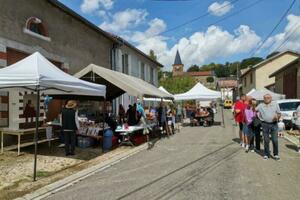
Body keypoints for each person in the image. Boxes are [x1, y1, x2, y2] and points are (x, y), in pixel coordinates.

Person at [257, 94, 281, 160]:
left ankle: (276, 154)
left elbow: (279, 113)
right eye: (265, 98)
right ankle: (266, 154)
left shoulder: (275, 104)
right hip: (264, 124)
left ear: (271, 98)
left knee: (275, 140)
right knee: (266, 140)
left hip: (274, 124)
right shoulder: (260, 105)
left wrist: (277, 117)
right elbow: (254, 110)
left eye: (268, 97)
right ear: (263, 99)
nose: (266, 99)